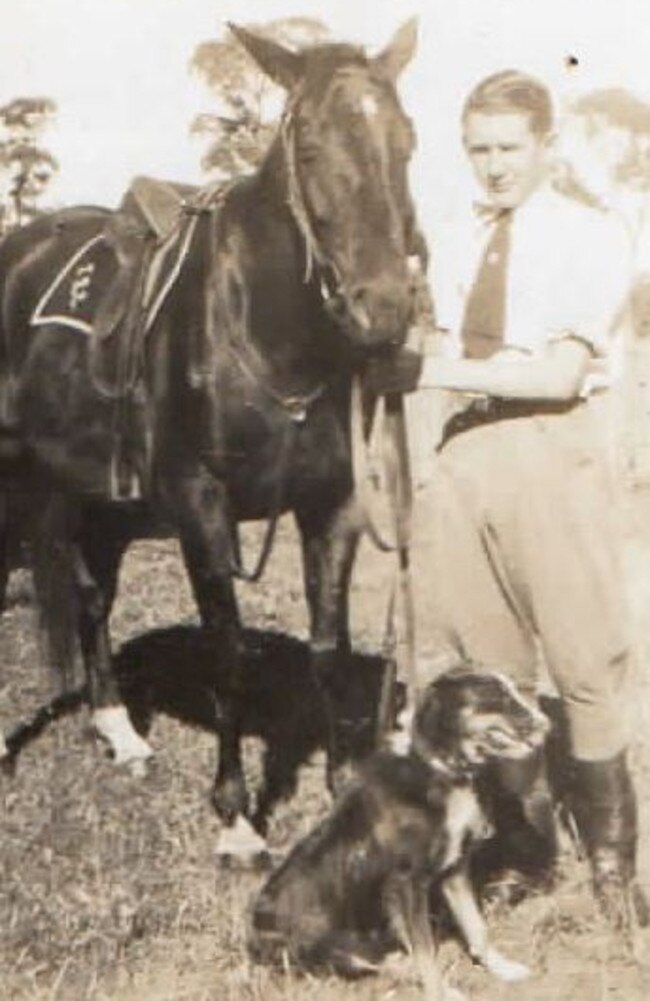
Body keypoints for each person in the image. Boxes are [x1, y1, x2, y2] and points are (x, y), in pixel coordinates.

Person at [367, 69, 647, 932]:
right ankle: (530, 850)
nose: (493, 167)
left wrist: (426, 370)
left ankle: (612, 871)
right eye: (478, 149)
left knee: (584, 660)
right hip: (465, 452)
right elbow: (433, 340)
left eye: (509, 148)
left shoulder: (590, 234)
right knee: (491, 673)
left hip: (552, 449)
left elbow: (559, 373)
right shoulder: (453, 237)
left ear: (546, 146)